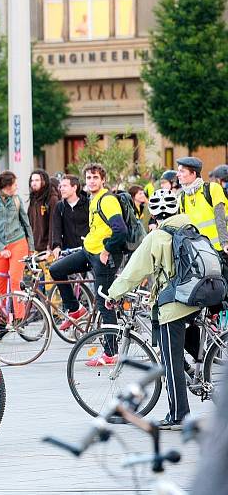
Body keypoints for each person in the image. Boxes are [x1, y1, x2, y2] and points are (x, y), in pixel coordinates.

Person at [107, 190, 201, 430]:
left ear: (155, 213)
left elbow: (133, 272)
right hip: (195, 298)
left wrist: (113, 293)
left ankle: (178, 415)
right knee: (178, 353)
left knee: (171, 362)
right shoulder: (191, 227)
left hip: (173, 305)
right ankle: (197, 371)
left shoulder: (157, 236)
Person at [49, 163, 127, 359]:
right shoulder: (94, 199)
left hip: (104, 257)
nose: (91, 181)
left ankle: (111, 353)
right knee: (57, 269)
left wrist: (107, 249)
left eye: (95, 178)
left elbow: (120, 230)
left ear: (103, 180)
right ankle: (76, 310)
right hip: (88, 252)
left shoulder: (107, 200)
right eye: (89, 178)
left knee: (104, 303)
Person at [0, 171, 35, 339]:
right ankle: (3, 322)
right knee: (0, 284)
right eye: (14, 184)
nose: (16, 187)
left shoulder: (17, 200)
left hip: (18, 242)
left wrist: (31, 247)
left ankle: (19, 319)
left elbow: (26, 224)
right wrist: (1, 247)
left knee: (16, 280)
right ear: (5, 187)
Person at [176, 156, 228, 256]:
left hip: (221, 250)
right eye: (178, 171)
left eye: (182, 171)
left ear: (193, 173)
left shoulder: (212, 188)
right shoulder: (181, 197)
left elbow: (220, 218)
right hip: (199, 253)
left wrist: (225, 243)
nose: (178, 175)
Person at [50, 174, 89, 258]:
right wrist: (56, 246)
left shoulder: (88, 204)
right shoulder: (59, 206)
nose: (61, 189)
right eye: (60, 186)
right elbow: (56, 228)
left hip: (88, 250)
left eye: (65, 186)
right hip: (68, 251)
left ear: (74, 188)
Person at [27, 169, 59, 252]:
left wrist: (51, 245)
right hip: (34, 246)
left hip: (47, 248)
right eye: (32, 180)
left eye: (37, 180)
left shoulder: (52, 199)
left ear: (44, 181)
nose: (34, 183)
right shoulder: (33, 199)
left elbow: (54, 224)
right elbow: (29, 222)